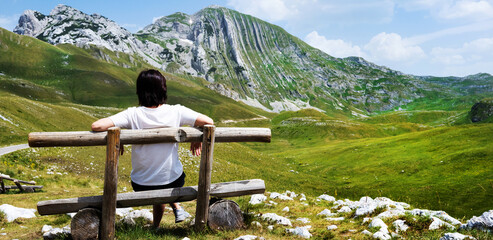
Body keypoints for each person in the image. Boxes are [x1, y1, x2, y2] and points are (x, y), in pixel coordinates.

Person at [91, 69, 214, 227]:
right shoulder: (176, 111)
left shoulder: (132, 114)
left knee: (157, 184)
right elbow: (208, 120)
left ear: (140, 91)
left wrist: (119, 134)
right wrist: (197, 134)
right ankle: (175, 206)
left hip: (141, 184)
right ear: (163, 89)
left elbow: (97, 126)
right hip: (172, 181)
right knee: (165, 180)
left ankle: (156, 226)